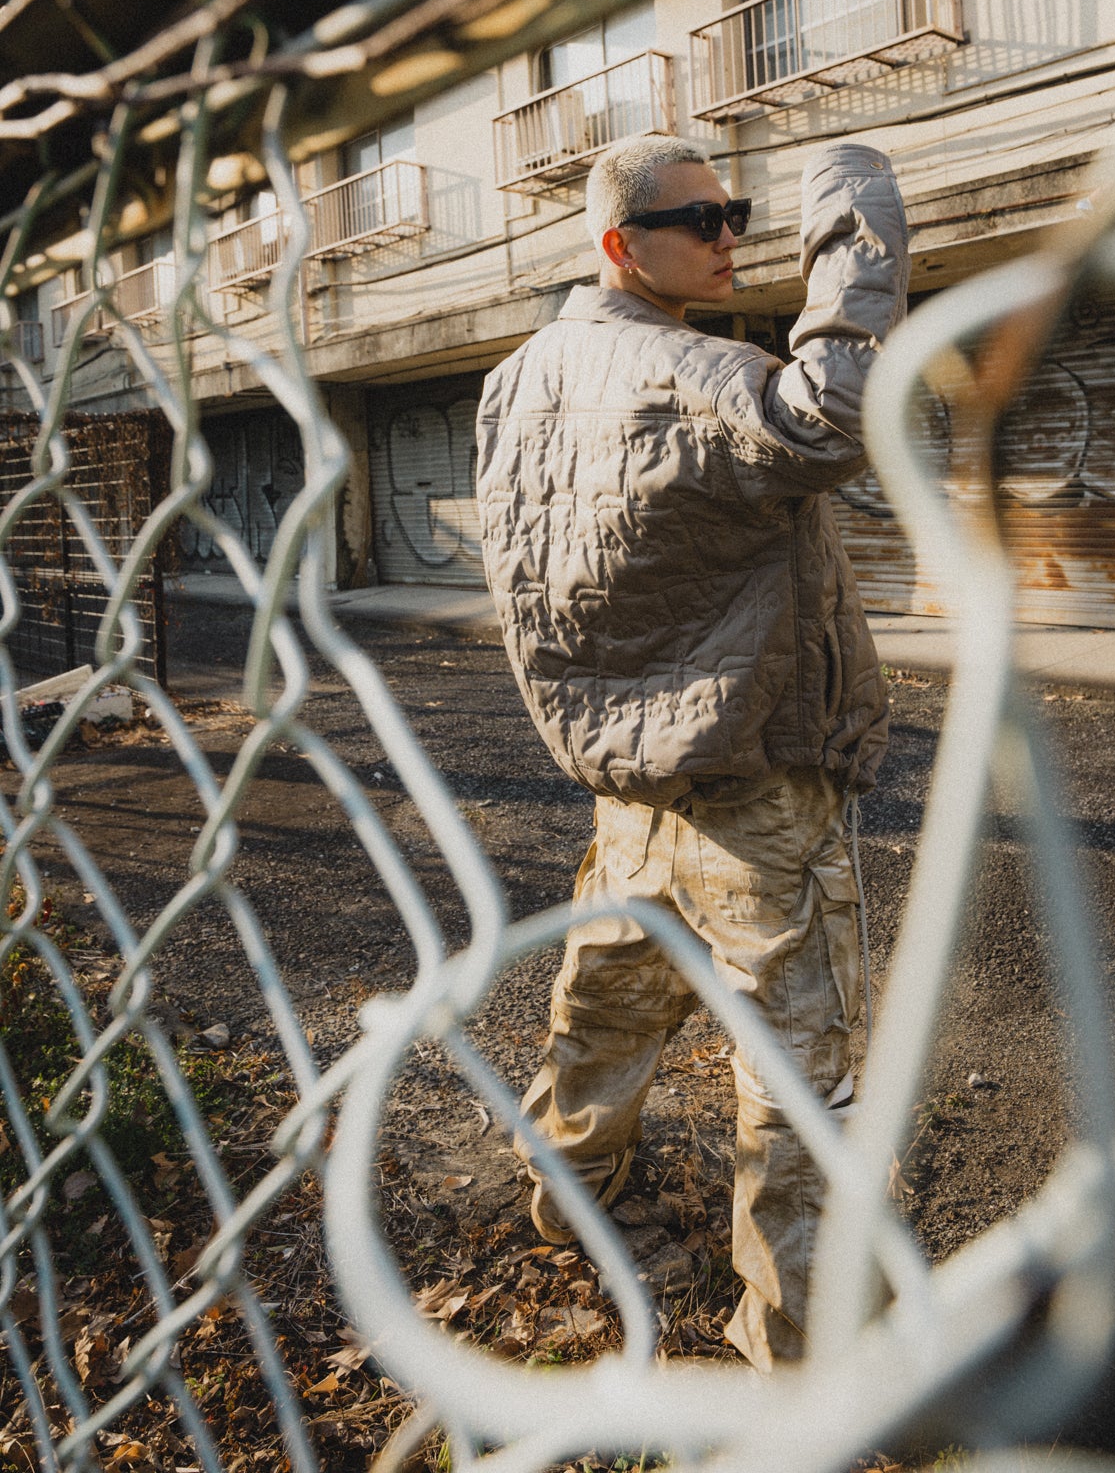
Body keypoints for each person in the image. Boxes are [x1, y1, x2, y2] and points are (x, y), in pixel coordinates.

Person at [475, 133, 908, 1368]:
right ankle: (800, 1351)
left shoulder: (513, 380)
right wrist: (853, 211)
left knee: (602, 1010)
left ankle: (571, 1203)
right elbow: (829, 418)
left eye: (741, 210)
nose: (730, 234)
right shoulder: (695, 367)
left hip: (624, 784)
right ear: (622, 244)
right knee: (795, 1073)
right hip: (753, 782)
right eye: (702, 218)